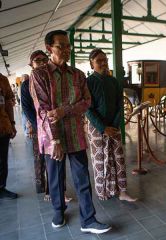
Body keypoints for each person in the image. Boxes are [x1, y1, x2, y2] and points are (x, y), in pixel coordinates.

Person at [30, 30, 111, 234]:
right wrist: (54, 140)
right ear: (49, 49)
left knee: (82, 178)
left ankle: (88, 220)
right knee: (56, 179)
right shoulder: (39, 75)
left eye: (68, 46)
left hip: (75, 134)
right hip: (52, 138)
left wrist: (64, 110)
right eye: (61, 46)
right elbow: (43, 109)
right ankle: (58, 212)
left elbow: (86, 102)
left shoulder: (78, 74)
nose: (66, 50)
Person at [86, 48, 137, 202]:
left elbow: (120, 104)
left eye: (105, 60)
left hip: (114, 127)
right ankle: (103, 192)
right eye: (99, 61)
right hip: (97, 128)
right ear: (91, 64)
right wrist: (103, 128)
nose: (103, 63)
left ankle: (122, 192)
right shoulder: (88, 82)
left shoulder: (113, 81)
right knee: (101, 161)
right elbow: (87, 108)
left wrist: (114, 125)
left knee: (118, 159)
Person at [22, 50, 72, 202]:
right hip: (39, 129)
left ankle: (58, 192)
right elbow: (27, 108)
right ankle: (44, 190)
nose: (42, 62)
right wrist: (40, 127)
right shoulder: (26, 84)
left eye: (44, 59)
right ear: (31, 65)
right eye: (38, 60)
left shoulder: (52, 78)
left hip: (55, 126)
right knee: (40, 160)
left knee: (57, 160)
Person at [0, 72, 17, 199]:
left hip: (3, 126)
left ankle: (1, 188)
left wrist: (12, 123)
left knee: (2, 161)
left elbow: (8, 103)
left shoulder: (3, 79)